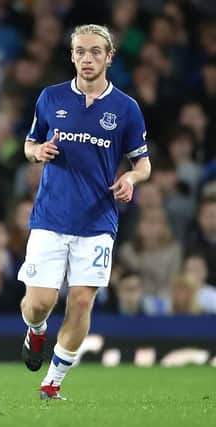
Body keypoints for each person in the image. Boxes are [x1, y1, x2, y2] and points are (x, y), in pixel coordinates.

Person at [17, 25, 151, 400]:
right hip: (50, 216)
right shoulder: (50, 97)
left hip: (97, 221)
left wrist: (131, 178)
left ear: (109, 57)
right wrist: (36, 151)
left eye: (95, 52)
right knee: (39, 303)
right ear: (72, 55)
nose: (87, 58)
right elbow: (29, 142)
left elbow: (144, 164)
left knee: (80, 299)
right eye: (80, 52)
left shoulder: (126, 108)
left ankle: (53, 381)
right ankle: (36, 328)